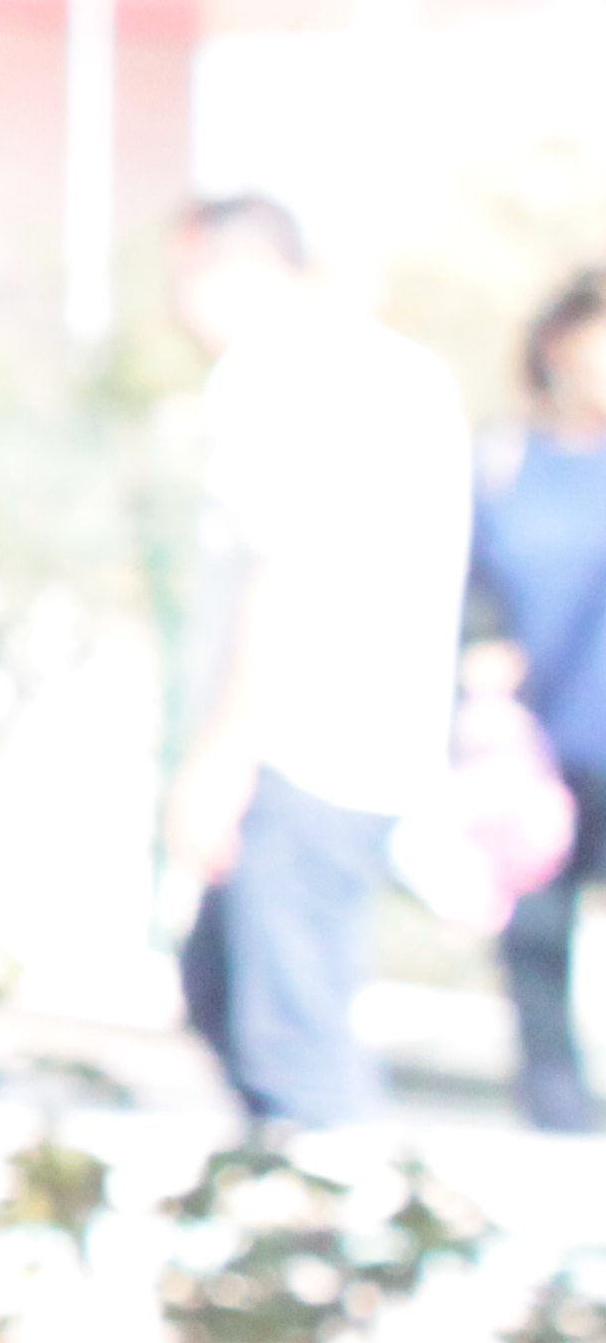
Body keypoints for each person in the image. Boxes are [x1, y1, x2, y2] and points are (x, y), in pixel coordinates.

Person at [164, 195, 472, 1131]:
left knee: (289, 1043)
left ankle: (335, 1207)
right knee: (231, 993)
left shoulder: (275, 371)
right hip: (378, 745)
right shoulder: (403, 372)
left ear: (224, 269)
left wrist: (222, 756)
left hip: (294, 748)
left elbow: (286, 569)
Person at [470, 268, 606, 1133]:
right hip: (534, 745)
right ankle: (556, 1105)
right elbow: (469, 580)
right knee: (534, 930)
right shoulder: (504, 462)